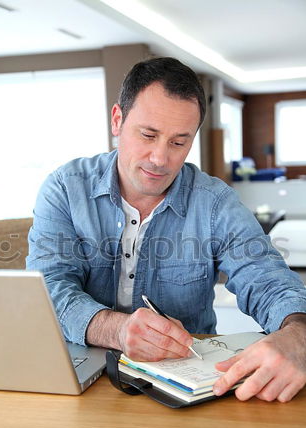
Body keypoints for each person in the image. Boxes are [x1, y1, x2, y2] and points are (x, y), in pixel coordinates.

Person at [26, 57, 306, 403]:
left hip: (186, 382)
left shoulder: (215, 203)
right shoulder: (65, 188)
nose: (160, 159)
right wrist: (118, 329)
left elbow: (269, 283)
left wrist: (298, 335)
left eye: (178, 142)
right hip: (79, 374)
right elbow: (49, 288)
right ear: (117, 120)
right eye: (148, 135)